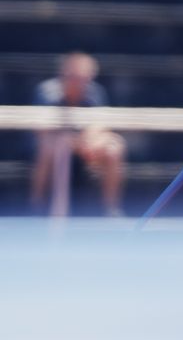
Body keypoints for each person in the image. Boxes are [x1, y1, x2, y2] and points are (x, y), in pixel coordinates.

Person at [30, 52, 127, 217]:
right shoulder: (47, 92)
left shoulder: (95, 91)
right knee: (49, 147)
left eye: (85, 78)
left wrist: (89, 141)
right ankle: (37, 205)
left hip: (84, 144)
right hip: (53, 142)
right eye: (75, 77)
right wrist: (71, 141)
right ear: (64, 74)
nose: (80, 82)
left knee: (114, 147)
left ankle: (111, 209)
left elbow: (101, 124)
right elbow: (42, 130)